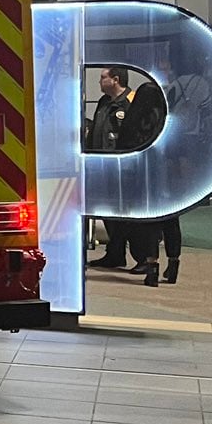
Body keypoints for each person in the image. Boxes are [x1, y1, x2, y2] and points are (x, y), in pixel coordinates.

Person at [118, 76, 170, 288]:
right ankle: (169, 265)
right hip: (161, 176)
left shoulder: (134, 119)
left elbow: (124, 143)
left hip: (138, 175)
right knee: (164, 222)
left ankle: (150, 266)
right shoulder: (165, 119)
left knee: (142, 222)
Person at [86, 66, 133, 268]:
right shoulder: (105, 102)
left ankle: (140, 257)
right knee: (107, 211)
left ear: (115, 79)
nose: (99, 81)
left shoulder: (130, 102)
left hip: (120, 167)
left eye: (103, 78)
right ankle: (114, 253)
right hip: (101, 165)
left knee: (124, 214)